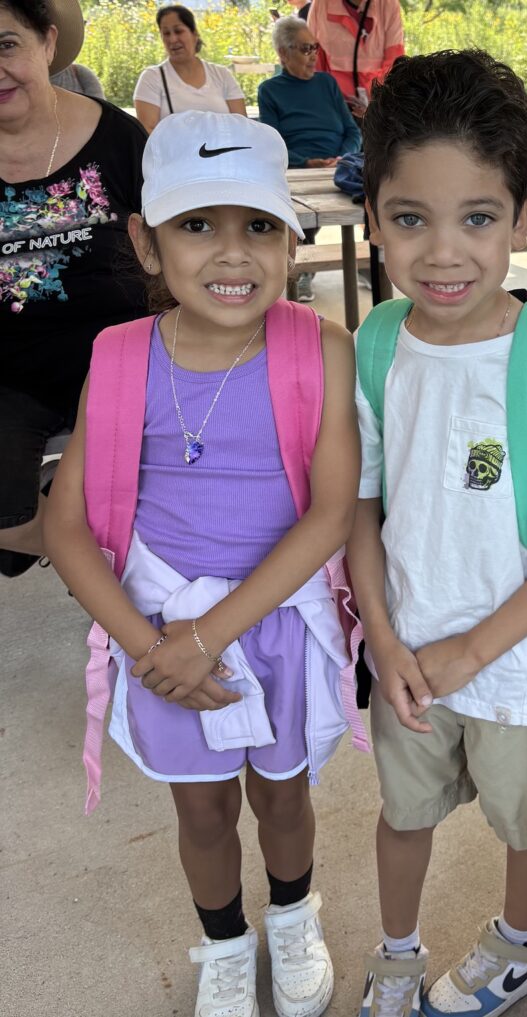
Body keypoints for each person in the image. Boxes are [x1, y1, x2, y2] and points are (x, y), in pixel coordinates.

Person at [43, 110, 361, 1017]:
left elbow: (333, 510)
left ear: (292, 241)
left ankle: (294, 917)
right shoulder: (118, 359)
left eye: (259, 225)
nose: (233, 254)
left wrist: (203, 640)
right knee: (201, 810)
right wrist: (153, 645)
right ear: (146, 243)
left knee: (285, 795)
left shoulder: (320, 347)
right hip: (157, 633)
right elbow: (67, 528)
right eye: (197, 225)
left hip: (277, 628)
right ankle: (226, 939)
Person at [346, 50, 527, 1017]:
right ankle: (395, 954)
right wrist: (386, 642)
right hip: (409, 658)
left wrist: (472, 646)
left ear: (522, 216)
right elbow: (361, 504)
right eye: (410, 219)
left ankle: (522, 940)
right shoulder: (379, 346)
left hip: (517, 665)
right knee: (403, 813)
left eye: (477, 218)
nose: (442, 253)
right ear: (373, 215)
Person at [1, 0, 149, 578]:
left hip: (123, 366)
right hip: (8, 379)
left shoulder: (116, 137)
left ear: (47, 42)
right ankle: (84, 548)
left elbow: (176, 242)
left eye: (6, 44)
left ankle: (80, 532)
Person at [259, 13, 361, 302]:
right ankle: (301, 269)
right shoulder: (270, 90)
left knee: (369, 198)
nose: (313, 55)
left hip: (340, 165)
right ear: (283, 53)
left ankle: (371, 263)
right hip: (299, 169)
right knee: (301, 212)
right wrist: (306, 161)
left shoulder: (327, 84)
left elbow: (352, 131)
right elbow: (272, 143)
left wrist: (345, 156)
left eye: (315, 47)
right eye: (305, 49)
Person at [133, 4, 246, 133]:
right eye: (166, 33)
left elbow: (241, 124)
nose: (173, 39)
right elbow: (147, 131)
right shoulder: (152, 78)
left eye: (178, 31)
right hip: (173, 153)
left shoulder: (222, 75)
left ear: (194, 34)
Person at [309, 0, 404, 115]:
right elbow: (313, 60)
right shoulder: (321, 4)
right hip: (335, 107)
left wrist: (376, 107)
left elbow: (395, 64)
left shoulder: (388, 4)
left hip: (379, 109)